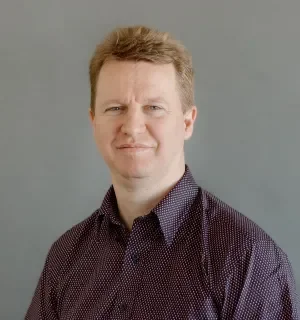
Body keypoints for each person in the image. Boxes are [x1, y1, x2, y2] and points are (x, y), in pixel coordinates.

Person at [25, 25, 299, 319]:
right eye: (115, 108)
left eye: (154, 107)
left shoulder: (247, 258)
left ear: (187, 122)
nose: (131, 127)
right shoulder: (66, 256)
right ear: (94, 123)